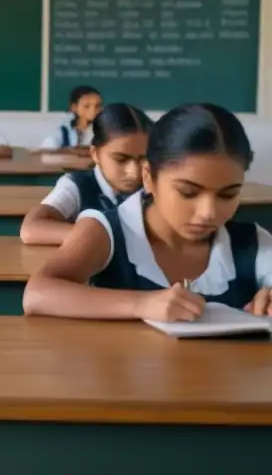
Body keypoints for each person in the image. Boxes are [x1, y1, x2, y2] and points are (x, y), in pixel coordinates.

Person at [23, 103, 272, 321]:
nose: (209, 213)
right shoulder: (107, 230)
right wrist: (141, 304)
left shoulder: (251, 241)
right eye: (188, 192)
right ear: (148, 177)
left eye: (227, 195)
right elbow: (37, 293)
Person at [21, 103, 152, 246]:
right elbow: (31, 229)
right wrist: (106, 237)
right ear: (95, 154)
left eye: (143, 159)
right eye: (120, 159)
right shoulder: (77, 185)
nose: (133, 171)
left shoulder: (155, 184)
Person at [39, 85, 103, 153]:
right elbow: (45, 155)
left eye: (98, 106)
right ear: (74, 107)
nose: (93, 111)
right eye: (86, 106)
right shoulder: (62, 131)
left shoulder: (106, 131)